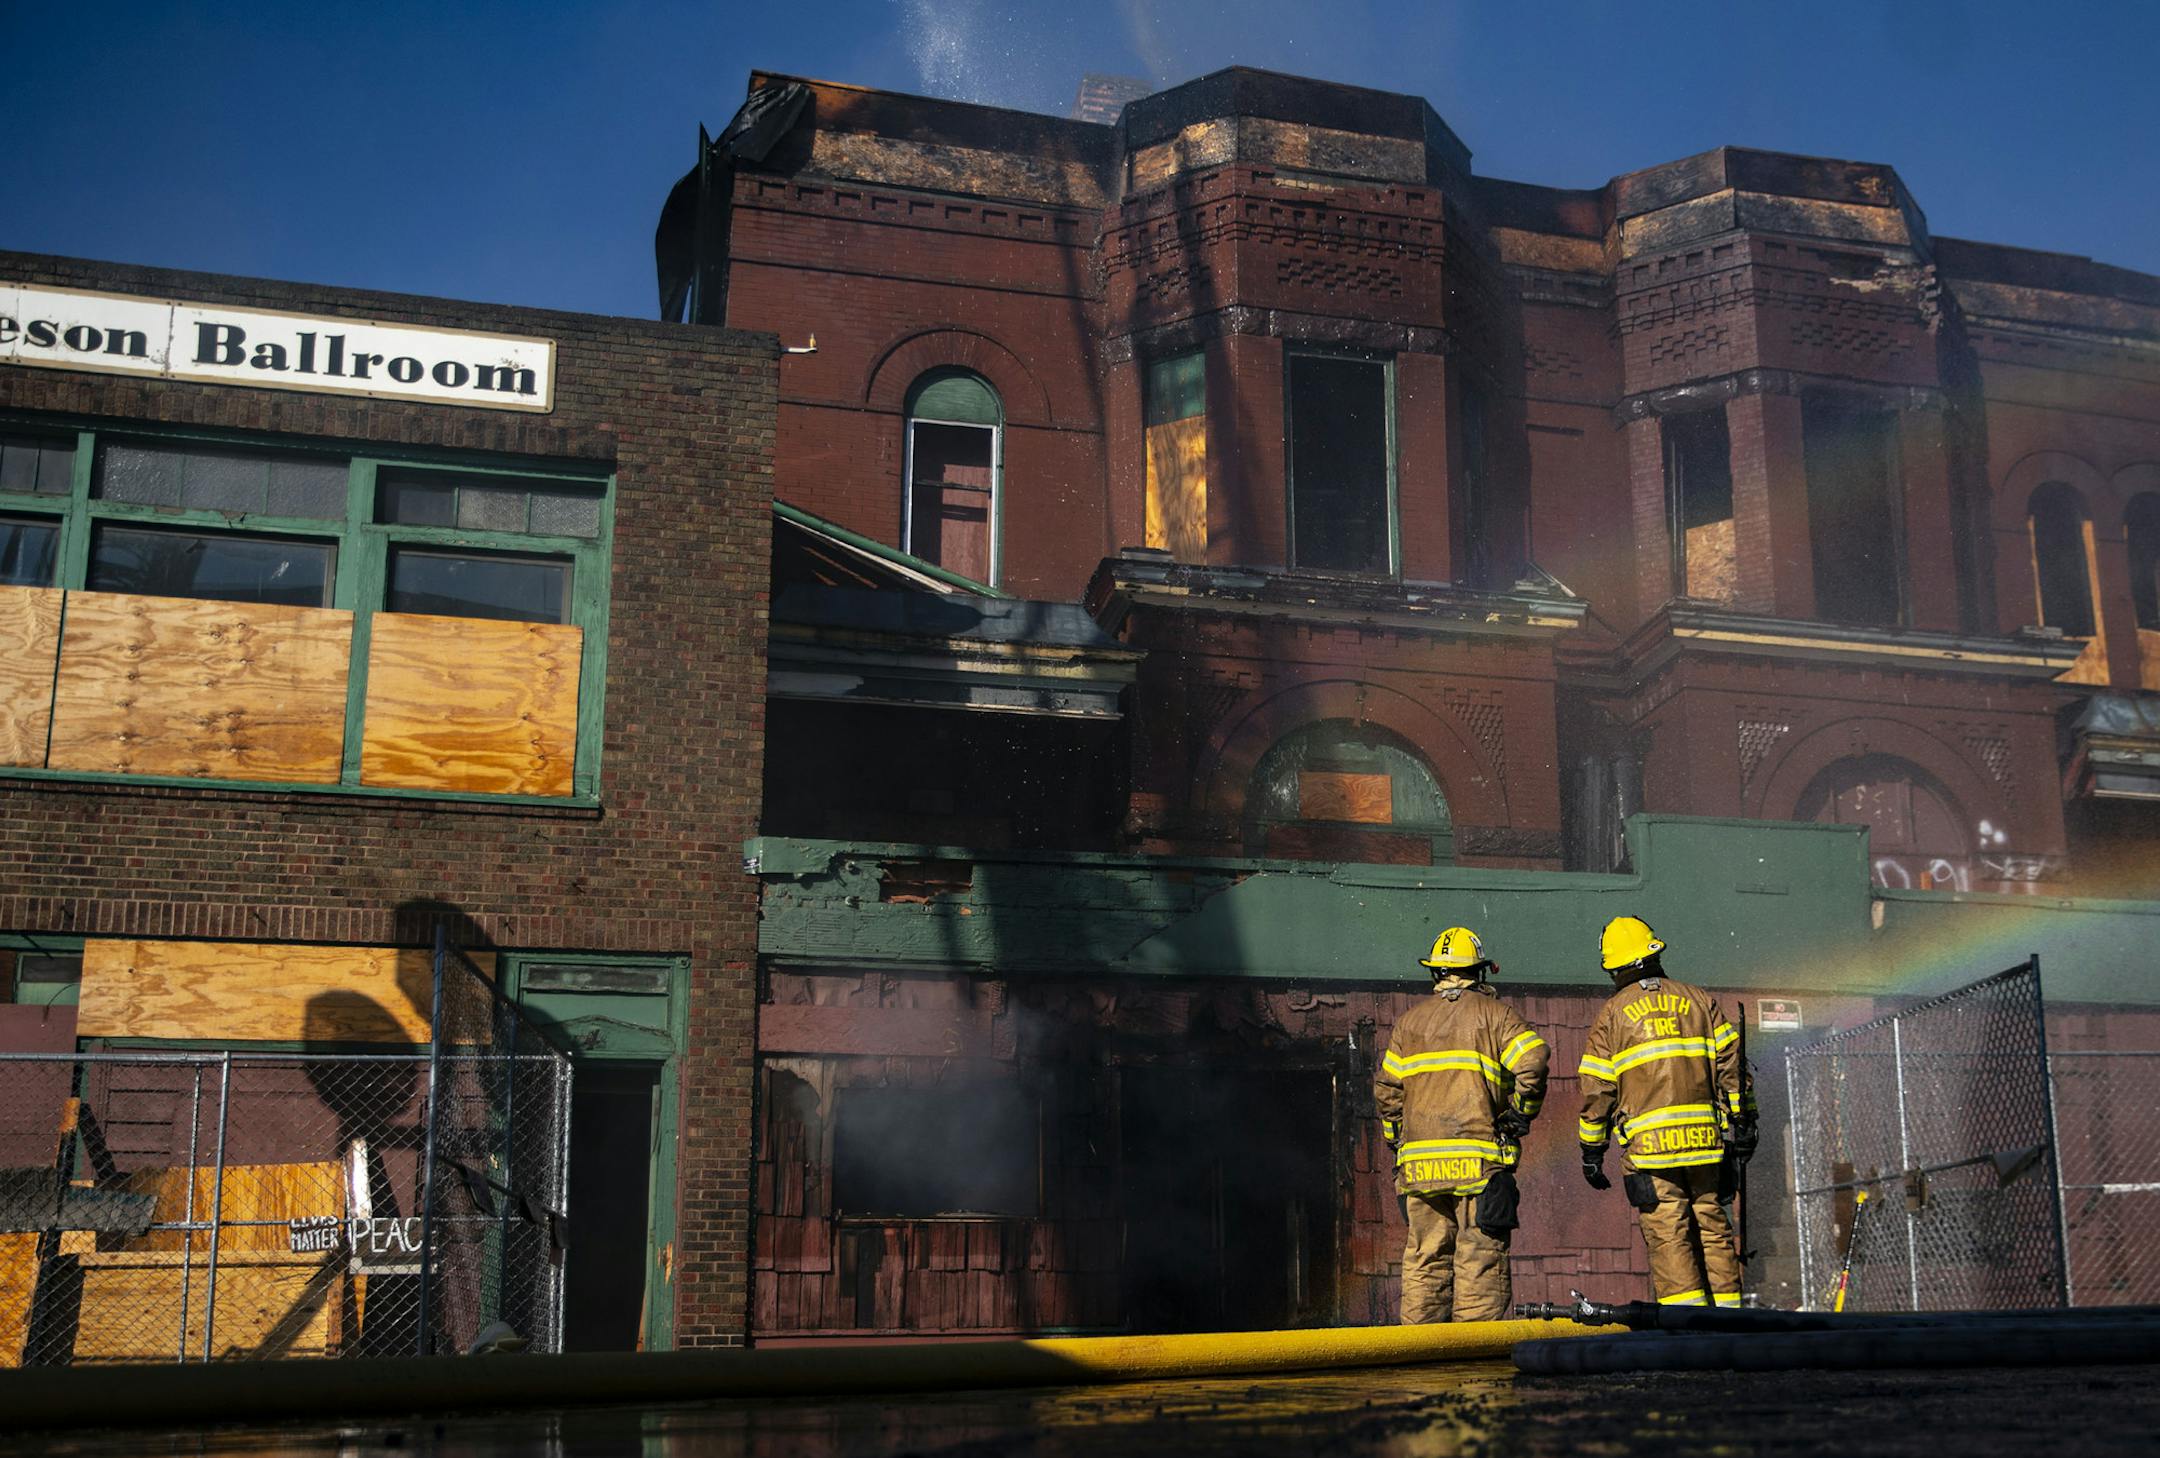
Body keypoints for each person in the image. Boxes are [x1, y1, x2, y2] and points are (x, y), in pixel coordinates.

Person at [1576, 915, 1758, 1308]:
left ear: (1615, 967)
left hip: (1650, 1152)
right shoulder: (1699, 1000)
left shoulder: (1611, 1016)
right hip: (1705, 1145)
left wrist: (1592, 1151)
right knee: (1713, 1225)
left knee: (1668, 1233)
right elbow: (1732, 1067)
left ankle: (1687, 1324)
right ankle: (1731, 1318)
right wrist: (1745, 1122)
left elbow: (1597, 1091)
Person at [1374, 926, 1549, 1323]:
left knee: (1424, 1262)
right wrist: (1520, 1114)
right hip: (1479, 1165)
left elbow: (1387, 1093)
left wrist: (1398, 1142)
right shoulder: (1496, 1015)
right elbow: (1533, 1061)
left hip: (1419, 1168)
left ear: (1437, 973)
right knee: (1479, 1261)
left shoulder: (1409, 1024)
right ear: (1479, 972)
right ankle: (1475, 1374)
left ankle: (1421, 1367)